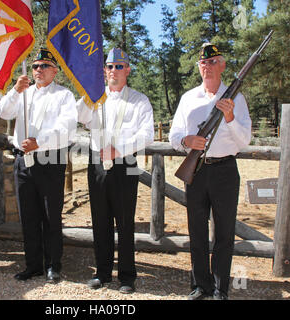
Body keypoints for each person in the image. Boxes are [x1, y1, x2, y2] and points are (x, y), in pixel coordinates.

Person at [169, 43, 252, 300]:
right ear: (199, 67)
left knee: (225, 233)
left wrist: (229, 118)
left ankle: (220, 288)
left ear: (223, 65)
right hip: (198, 170)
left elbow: (245, 140)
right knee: (196, 230)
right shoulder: (188, 99)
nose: (208, 66)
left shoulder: (236, 99)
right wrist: (186, 142)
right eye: (204, 63)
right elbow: (174, 135)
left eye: (213, 61)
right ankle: (200, 285)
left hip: (225, 169)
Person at [77, 48, 154, 294]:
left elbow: (146, 134)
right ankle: (102, 273)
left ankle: (127, 277)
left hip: (126, 164)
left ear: (128, 70)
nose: (114, 71)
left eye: (119, 66)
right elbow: (79, 116)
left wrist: (118, 150)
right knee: (100, 221)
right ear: (104, 71)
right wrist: (89, 91)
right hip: (98, 163)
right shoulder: (96, 98)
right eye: (110, 67)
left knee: (124, 222)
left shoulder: (139, 100)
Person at [0, 48, 77, 283]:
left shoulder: (64, 96)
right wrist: (14, 90)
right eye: (35, 66)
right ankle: (33, 265)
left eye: (43, 66)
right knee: (28, 216)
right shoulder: (23, 92)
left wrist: (39, 142)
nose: (38, 70)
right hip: (24, 160)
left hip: (49, 159)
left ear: (54, 71)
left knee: (51, 216)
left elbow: (67, 128)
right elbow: (3, 112)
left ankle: (53, 265)